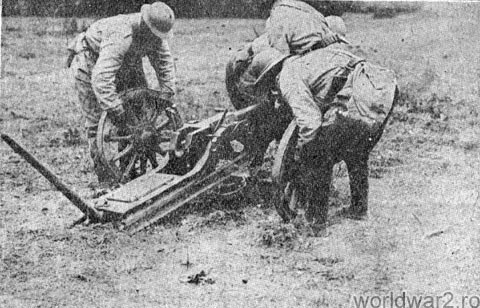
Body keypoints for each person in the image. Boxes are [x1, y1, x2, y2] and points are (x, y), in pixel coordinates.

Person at [273, 18, 398, 232]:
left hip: (358, 93)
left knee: (318, 155)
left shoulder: (288, 75)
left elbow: (310, 123)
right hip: (385, 88)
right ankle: (359, 209)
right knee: (357, 148)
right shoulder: (323, 56)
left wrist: (303, 154)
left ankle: (315, 223)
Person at [67, 2, 176, 182]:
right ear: (145, 25)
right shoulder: (121, 33)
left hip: (126, 64)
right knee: (97, 124)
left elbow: (165, 66)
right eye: (154, 35)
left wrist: (166, 95)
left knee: (138, 113)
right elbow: (101, 79)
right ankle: (106, 179)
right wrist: (117, 110)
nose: (157, 40)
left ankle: (131, 171)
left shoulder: (156, 36)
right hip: (89, 62)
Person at [265, 0, 349, 55]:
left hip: (312, 60)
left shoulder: (277, 14)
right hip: (336, 52)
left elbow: (280, 55)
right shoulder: (308, 9)